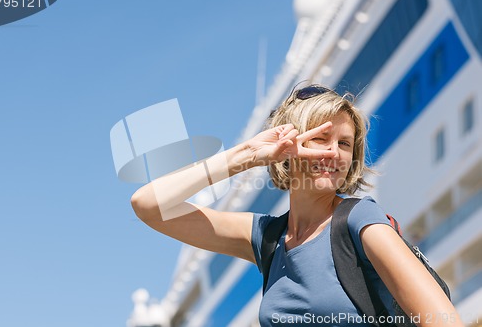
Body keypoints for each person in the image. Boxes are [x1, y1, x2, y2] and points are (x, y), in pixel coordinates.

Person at [130, 84, 463, 327]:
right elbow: (148, 205)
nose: (333, 153)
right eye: (319, 138)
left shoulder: (360, 219)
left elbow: (442, 321)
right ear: (287, 146)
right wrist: (247, 156)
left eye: (344, 143)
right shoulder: (267, 240)